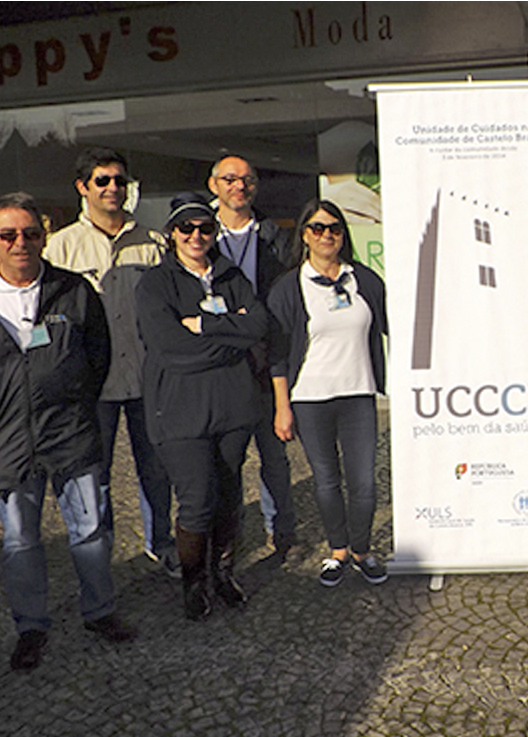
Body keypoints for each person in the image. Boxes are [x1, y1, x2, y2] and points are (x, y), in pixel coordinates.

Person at [0, 192, 135, 671]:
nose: (20, 243)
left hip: (69, 435)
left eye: (30, 233)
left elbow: (98, 355)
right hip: (7, 444)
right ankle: (31, 627)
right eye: (8, 235)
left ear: (43, 237)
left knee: (90, 531)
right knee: (20, 540)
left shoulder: (73, 291)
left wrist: (73, 403)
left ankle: (99, 611)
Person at [136, 192, 270, 619]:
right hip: (180, 409)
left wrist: (205, 325)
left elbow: (258, 324)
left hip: (233, 406)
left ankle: (222, 572)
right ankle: (194, 583)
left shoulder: (230, 275)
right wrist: (231, 341)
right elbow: (169, 346)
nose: (196, 235)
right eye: (186, 228)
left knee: (229, 494)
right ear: (172, 233)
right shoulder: (155, 284)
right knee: (196, 499)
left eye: (205, 228)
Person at [44, 148, 177, 577]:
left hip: (147, 379)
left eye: (120, 180)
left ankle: (161, 544)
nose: (113, 188)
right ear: (83, 187)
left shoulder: (153, 243)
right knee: (95, 478)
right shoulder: (61, 247)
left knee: (156, 471)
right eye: (102, 180)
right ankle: (102, 560)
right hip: (92, 386)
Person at [268, 199, 388, 587]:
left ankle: (362, 551)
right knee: (325, 480)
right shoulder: (289, 287)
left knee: (364, 482)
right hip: (310, 397)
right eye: (317, 228)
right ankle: (338, 551)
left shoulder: (363, 280)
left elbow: (397, 323)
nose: (326, 235)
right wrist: (282, 406)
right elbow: (276, 354)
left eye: (334, 228)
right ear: (304, 235)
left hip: (358, 393)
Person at [208, 155, 298, 552]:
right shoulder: (199, 232)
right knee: (228, 458)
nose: (239, 186)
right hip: (220, 362)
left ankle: (282, 529)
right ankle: (231, 534)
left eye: (246, 179)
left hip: (265, 358)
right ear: (214, 185)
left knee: (274, 453)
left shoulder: (274, 236)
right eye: (229, 179)